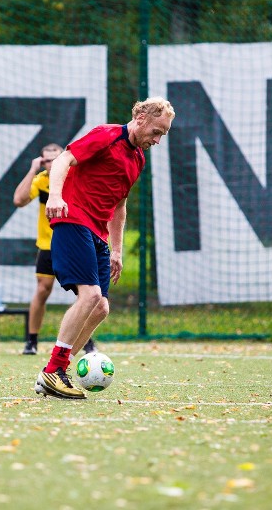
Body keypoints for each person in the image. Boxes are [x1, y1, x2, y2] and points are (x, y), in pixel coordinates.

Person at [34, 97, 175, 399]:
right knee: (91, 296)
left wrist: (117, 250)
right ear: (140, 117)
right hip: (73, 220)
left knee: (101, 307)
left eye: (163, 134)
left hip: (98, 232)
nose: (158, 140)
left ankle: (58, 370)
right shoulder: (106, 135)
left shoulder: (137, 158)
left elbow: (119, 205)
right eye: (156, 131)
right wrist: (56, 196)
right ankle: (53, 370)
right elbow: (62, 160)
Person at [13, 143, 96, 356]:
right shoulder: (40, 181)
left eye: (55, 159)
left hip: (73, 243)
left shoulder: (74, 177)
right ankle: (31, 341)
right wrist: (33, 170)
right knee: (42, 290)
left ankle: (86, 341)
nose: (51, 164)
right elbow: (19, 200)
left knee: (85, 293)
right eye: (46, 160)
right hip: (48, 246)